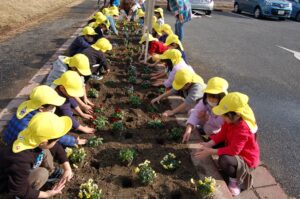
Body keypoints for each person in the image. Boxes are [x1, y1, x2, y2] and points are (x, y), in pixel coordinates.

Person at [193, 92, 259, 196]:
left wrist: (210, 151)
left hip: (246, 159)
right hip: (234, 147)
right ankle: (231, 170)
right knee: (213, 141)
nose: (222, 117)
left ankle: (235, 182)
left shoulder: (243, 128)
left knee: (224, 159)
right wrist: (209, 144)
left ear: (237, 114)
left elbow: (234, 151)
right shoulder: (232, 120)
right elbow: (222, 133)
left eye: (225, 115)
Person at [0, 112, 73, 199]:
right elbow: (18, 190)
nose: (57, 143)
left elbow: (55, 147)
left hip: (19, 172)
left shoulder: (30, 136)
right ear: (44, 142)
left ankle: (51, 173)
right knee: (42, 174)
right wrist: (46, 194)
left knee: (45, 151)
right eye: (56, 140)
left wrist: (67, 168)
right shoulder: (21, 160)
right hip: (8, 186)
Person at [3, 85, 87, 147]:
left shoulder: (28, 107)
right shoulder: (37, 123)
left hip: (8, 138)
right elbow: (52, 135)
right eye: (52, 106)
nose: (54, 108)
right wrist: (74, 141)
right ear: (41, 108)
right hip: (19, 147)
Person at [182, 77, 229, 143]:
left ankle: (212, 137)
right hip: (208, 119)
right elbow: (196, 112)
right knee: (192, 112)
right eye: (209, 96)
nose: (211, 100)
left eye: (214, 98)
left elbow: (219, 123)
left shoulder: (225, 107)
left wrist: (206, 118)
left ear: (222, 97)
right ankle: (201, 128)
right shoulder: (205, 101)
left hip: (216, 127)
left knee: (208, 129)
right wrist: (189, 128)